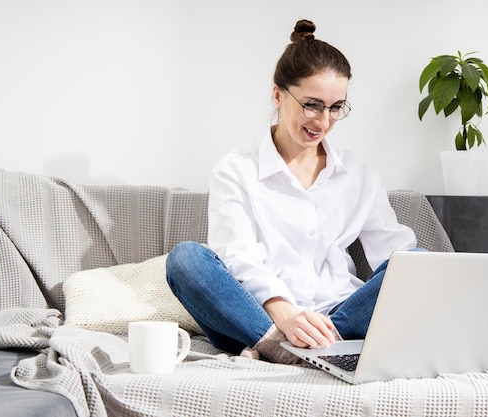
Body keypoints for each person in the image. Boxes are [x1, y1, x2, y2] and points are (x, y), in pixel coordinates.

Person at [166, 19, 418, 364]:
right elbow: (239, 256)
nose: (323, 121)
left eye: (335, 107)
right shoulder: (235, 169)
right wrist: (284, 315)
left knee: (417, 262)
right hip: (255, 316)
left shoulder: (359, 174)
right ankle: (288, 347)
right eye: (312, 104)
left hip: (339, 315)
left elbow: (396, 254)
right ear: (278, 94)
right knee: (186, 260)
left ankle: (316, 344)